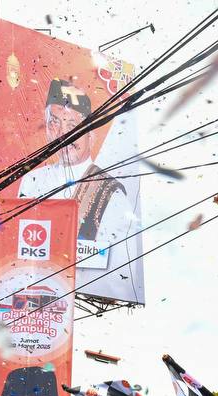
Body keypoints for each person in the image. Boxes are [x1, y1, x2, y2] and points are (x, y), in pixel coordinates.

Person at [18, 79, 136, 279]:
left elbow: (116, 268)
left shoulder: (111, 193)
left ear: (90, 134)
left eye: (72, 125)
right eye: (55, 122)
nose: (63, 134)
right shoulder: (32, 181)